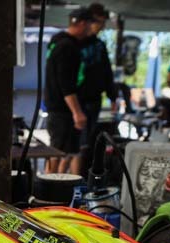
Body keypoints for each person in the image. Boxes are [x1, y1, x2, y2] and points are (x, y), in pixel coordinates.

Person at [43, 8, 96, 174]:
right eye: (90, 25)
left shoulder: (58, 42)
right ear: (83, 24)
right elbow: (65, 83)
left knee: (66, 152)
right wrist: (77, 112)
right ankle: (49, 185)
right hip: (62, 110)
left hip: (59, 108)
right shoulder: (67, 47)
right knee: (57, 152)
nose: (91, 30)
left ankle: (58, 184)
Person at [75, 4, 117, 163]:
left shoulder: (100, 45)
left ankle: (81, 174)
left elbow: (107, 72)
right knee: (71, 144)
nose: (101, 27)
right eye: (99, 22)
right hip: (75, 100)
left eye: (103, 23)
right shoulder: (73, 43)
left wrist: (112, 97)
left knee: (86, 142)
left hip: (93, 99)